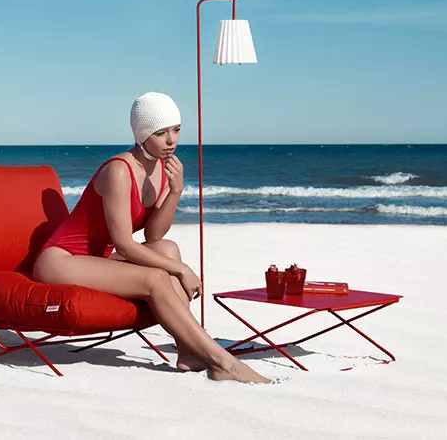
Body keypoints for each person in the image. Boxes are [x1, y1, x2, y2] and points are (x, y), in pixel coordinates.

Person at [33, 92, 270, 384]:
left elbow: (154, 234)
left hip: (98, 258)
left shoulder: (162, 165)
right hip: (62, 260)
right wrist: (181, 270)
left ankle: (188, 351)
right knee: (157, 278)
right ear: (142, 134)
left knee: (167, 248)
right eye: (160, 133)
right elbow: (125, 245)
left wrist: (176, 190)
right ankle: (223, 363)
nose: (171, 140)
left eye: (176, 130)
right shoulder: (118, 171)